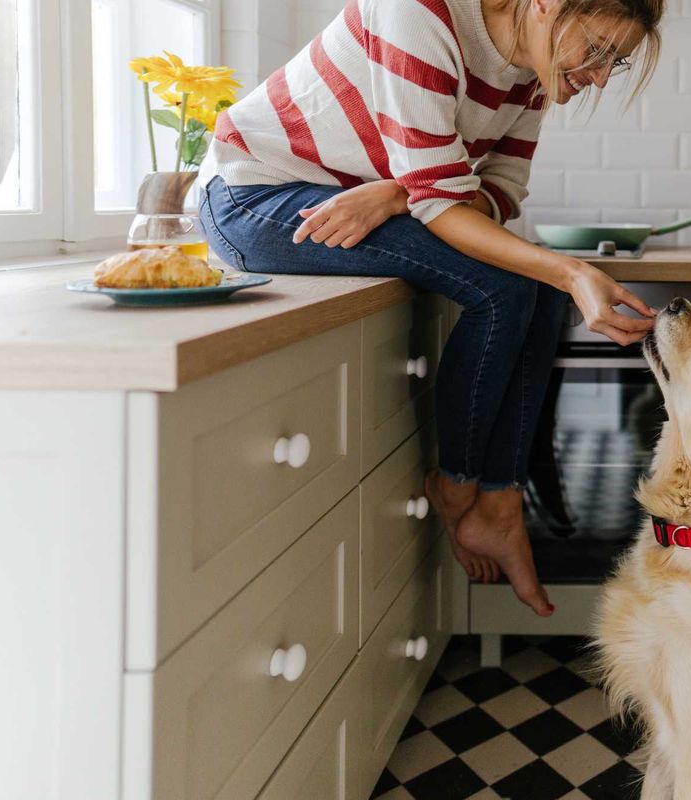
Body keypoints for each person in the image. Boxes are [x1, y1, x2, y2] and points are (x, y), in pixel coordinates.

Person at [198, 0, 664, 617]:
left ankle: (499, 504)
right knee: (513, 286)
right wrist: (572, 268)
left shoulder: (529, 71)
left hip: (346, 204)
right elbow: (448, 199)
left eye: (617, 64)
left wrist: (402, 193)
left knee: (540, 287)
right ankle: (457, 486)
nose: (601, 76)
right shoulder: (419, 13)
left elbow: (498, 192)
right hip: (255, 198)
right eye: (599, 51)